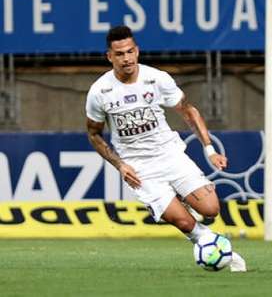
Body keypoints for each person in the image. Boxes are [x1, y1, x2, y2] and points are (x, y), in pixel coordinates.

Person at [85, 25, 246, 271]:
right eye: (119, 54)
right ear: (110, 57)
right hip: (139, 167)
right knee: (182, 221)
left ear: (137, 51)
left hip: (170, 155)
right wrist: (120, 164)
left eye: (130, 51)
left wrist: (209, 150)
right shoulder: (100, 92)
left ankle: (190, 209)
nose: (126, 58)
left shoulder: (156, 79)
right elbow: (94, 134)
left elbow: (188, 110)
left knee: (211, 208)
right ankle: (214, 244)